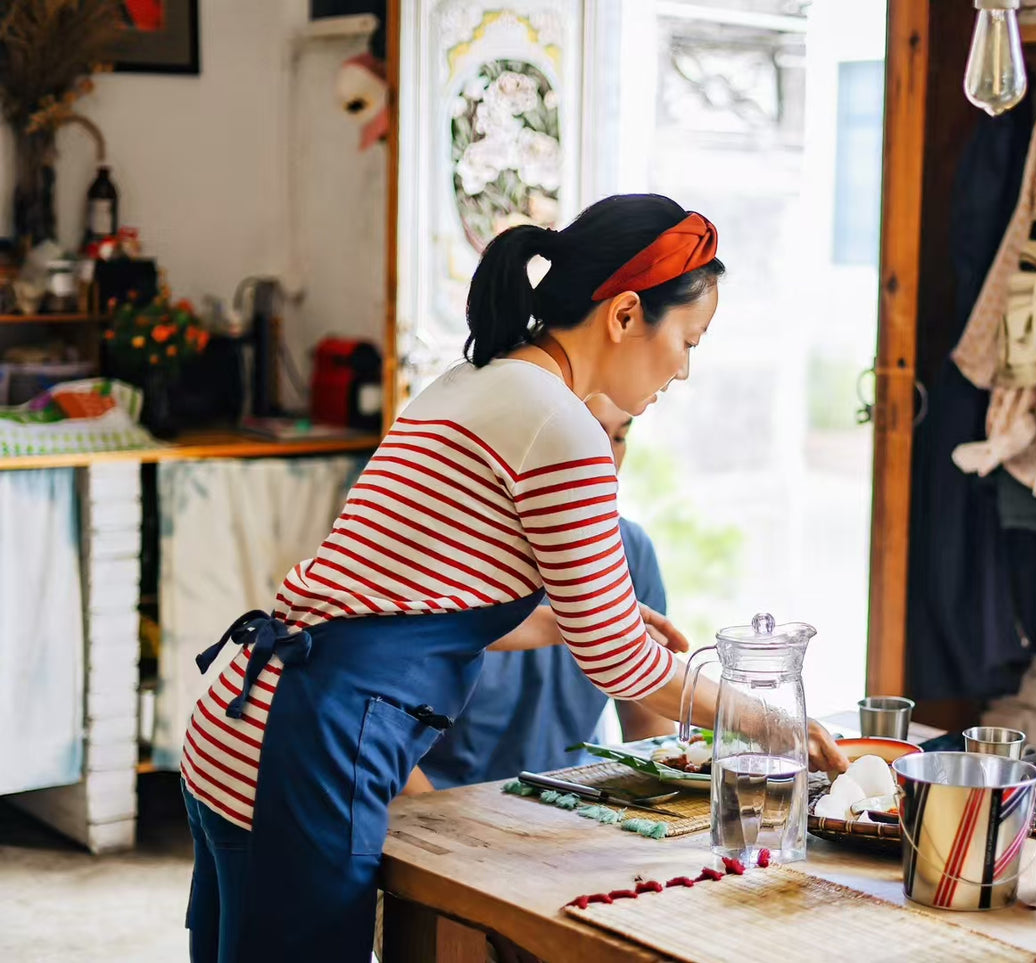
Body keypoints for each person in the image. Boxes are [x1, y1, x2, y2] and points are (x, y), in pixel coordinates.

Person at [177, 194, 849, 963]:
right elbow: (618, 663)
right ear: (626, 314)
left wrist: (575, 616)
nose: (686, 370)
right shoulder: (562, 427)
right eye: (688, 340)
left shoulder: (474, 380)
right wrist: (764, 721)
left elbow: (413, 601)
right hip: (313, 744)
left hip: (242, 723)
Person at [419, 394, 673, 788]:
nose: (606, 460)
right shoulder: (453, 560)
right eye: (589, 437)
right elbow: (379, 745)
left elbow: (649, 724)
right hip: (447, 811)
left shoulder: (630, 551)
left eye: (619, 437)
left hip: (576, 804)